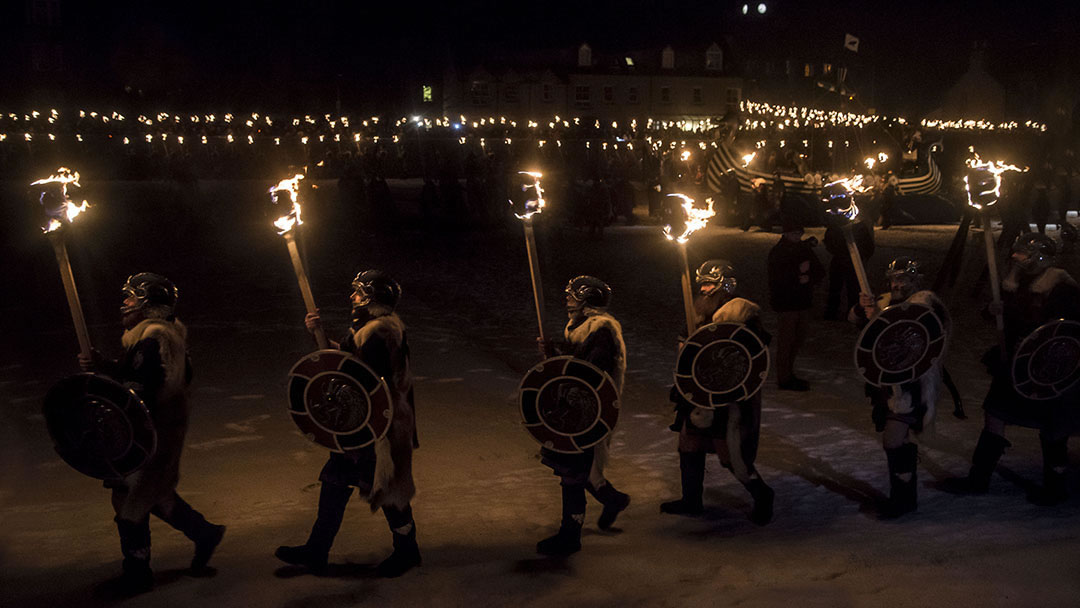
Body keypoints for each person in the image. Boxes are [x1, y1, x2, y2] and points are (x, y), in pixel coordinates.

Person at [78, 273, 225, 594]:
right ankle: (204, 532)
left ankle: (137, 572)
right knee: (151, 495)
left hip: (153, 433)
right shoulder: (152, 336)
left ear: (148, 303)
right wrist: (103, 366)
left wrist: (110, 392)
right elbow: (135, 375)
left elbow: (145, 387)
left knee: (131, 500)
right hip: (149, 430)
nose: (125, 303)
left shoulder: (156, 338)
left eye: (131, 297)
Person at [275, 270, 421, 577]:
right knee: (334, 484)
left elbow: (362, 377)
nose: (352, 296)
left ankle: (407, 552)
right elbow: (349, 360)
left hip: (379, 428)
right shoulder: (368, 328)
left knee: (389, 492)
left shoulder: (382, 332)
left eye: (358, 292)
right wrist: (319, 334)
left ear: (371, 298)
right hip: (360, 424)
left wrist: (333, 367)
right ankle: (316, 550)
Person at [947, 234, 1080, 505]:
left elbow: (1064, 329)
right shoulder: (1014, 282)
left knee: (1053, 425)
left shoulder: (1062, 288)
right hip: (1014, 363)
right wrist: (993, 310)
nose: (1018, 259)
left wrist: (1035, 338)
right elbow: (1000, 315)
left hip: (1048, 369)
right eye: (1017, 254)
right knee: (995, 413)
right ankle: (979, 478)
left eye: (1024, 255)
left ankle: (1055, 487)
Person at [661, 260, 775, 524]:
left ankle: (763, 495)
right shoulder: (697, 313)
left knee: (729, 452)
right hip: (699, 390)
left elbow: (752, 351)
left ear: (725, 285)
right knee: (689, 442)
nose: (704, 289)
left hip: (727, 395)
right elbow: (687, 350)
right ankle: (691, 500)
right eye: (701, 284)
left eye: (710, 284)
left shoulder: (742, 314)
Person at [536, 276, 630, 556]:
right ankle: (613, 500)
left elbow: (590, 370)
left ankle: (570, 536)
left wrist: (558, 358)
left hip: (587, 411)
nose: (567, 300)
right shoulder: (583, 328)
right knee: (577, 470)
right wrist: (554, 351)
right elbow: (578, 357)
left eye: (573, 296)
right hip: (574, 408)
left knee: (574, 474)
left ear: (587, 300)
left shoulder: (601, 330)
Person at [849, 258, 949, 517]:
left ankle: (903, 499)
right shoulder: (884, 303)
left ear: (916, 280)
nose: (896, 284)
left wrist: (882, 321)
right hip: (888, 385)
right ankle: (904, 497)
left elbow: (924, 341)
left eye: (903, 279)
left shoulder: (926, 305)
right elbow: (869, 336)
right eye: (894, 279)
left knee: (893, 439)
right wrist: (864, 311)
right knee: (899, 440)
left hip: (913, 385)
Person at [767, 216, 825, 390]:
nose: (797, 237)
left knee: (798, 339)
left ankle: (789, 372)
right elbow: (776, 278)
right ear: (786, 233)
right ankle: (784, 378)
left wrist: (809, 277)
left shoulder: (803, 249)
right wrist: (797, 274)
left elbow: (819, 271)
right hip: (787, 304)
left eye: (799, 234)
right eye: (793, 233)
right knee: (786, 341)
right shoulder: (778, 252)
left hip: (803, 302)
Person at [824, 219, 874, 320]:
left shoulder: (860, 227)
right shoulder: (835, 225)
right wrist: (839, 252)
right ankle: (831, 312)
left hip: (854, 263)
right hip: (839, 261)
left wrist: (862, 257)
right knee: (835, 288)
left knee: (853, 289)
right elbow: (829, 242)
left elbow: (868, 245)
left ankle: (852, 313)